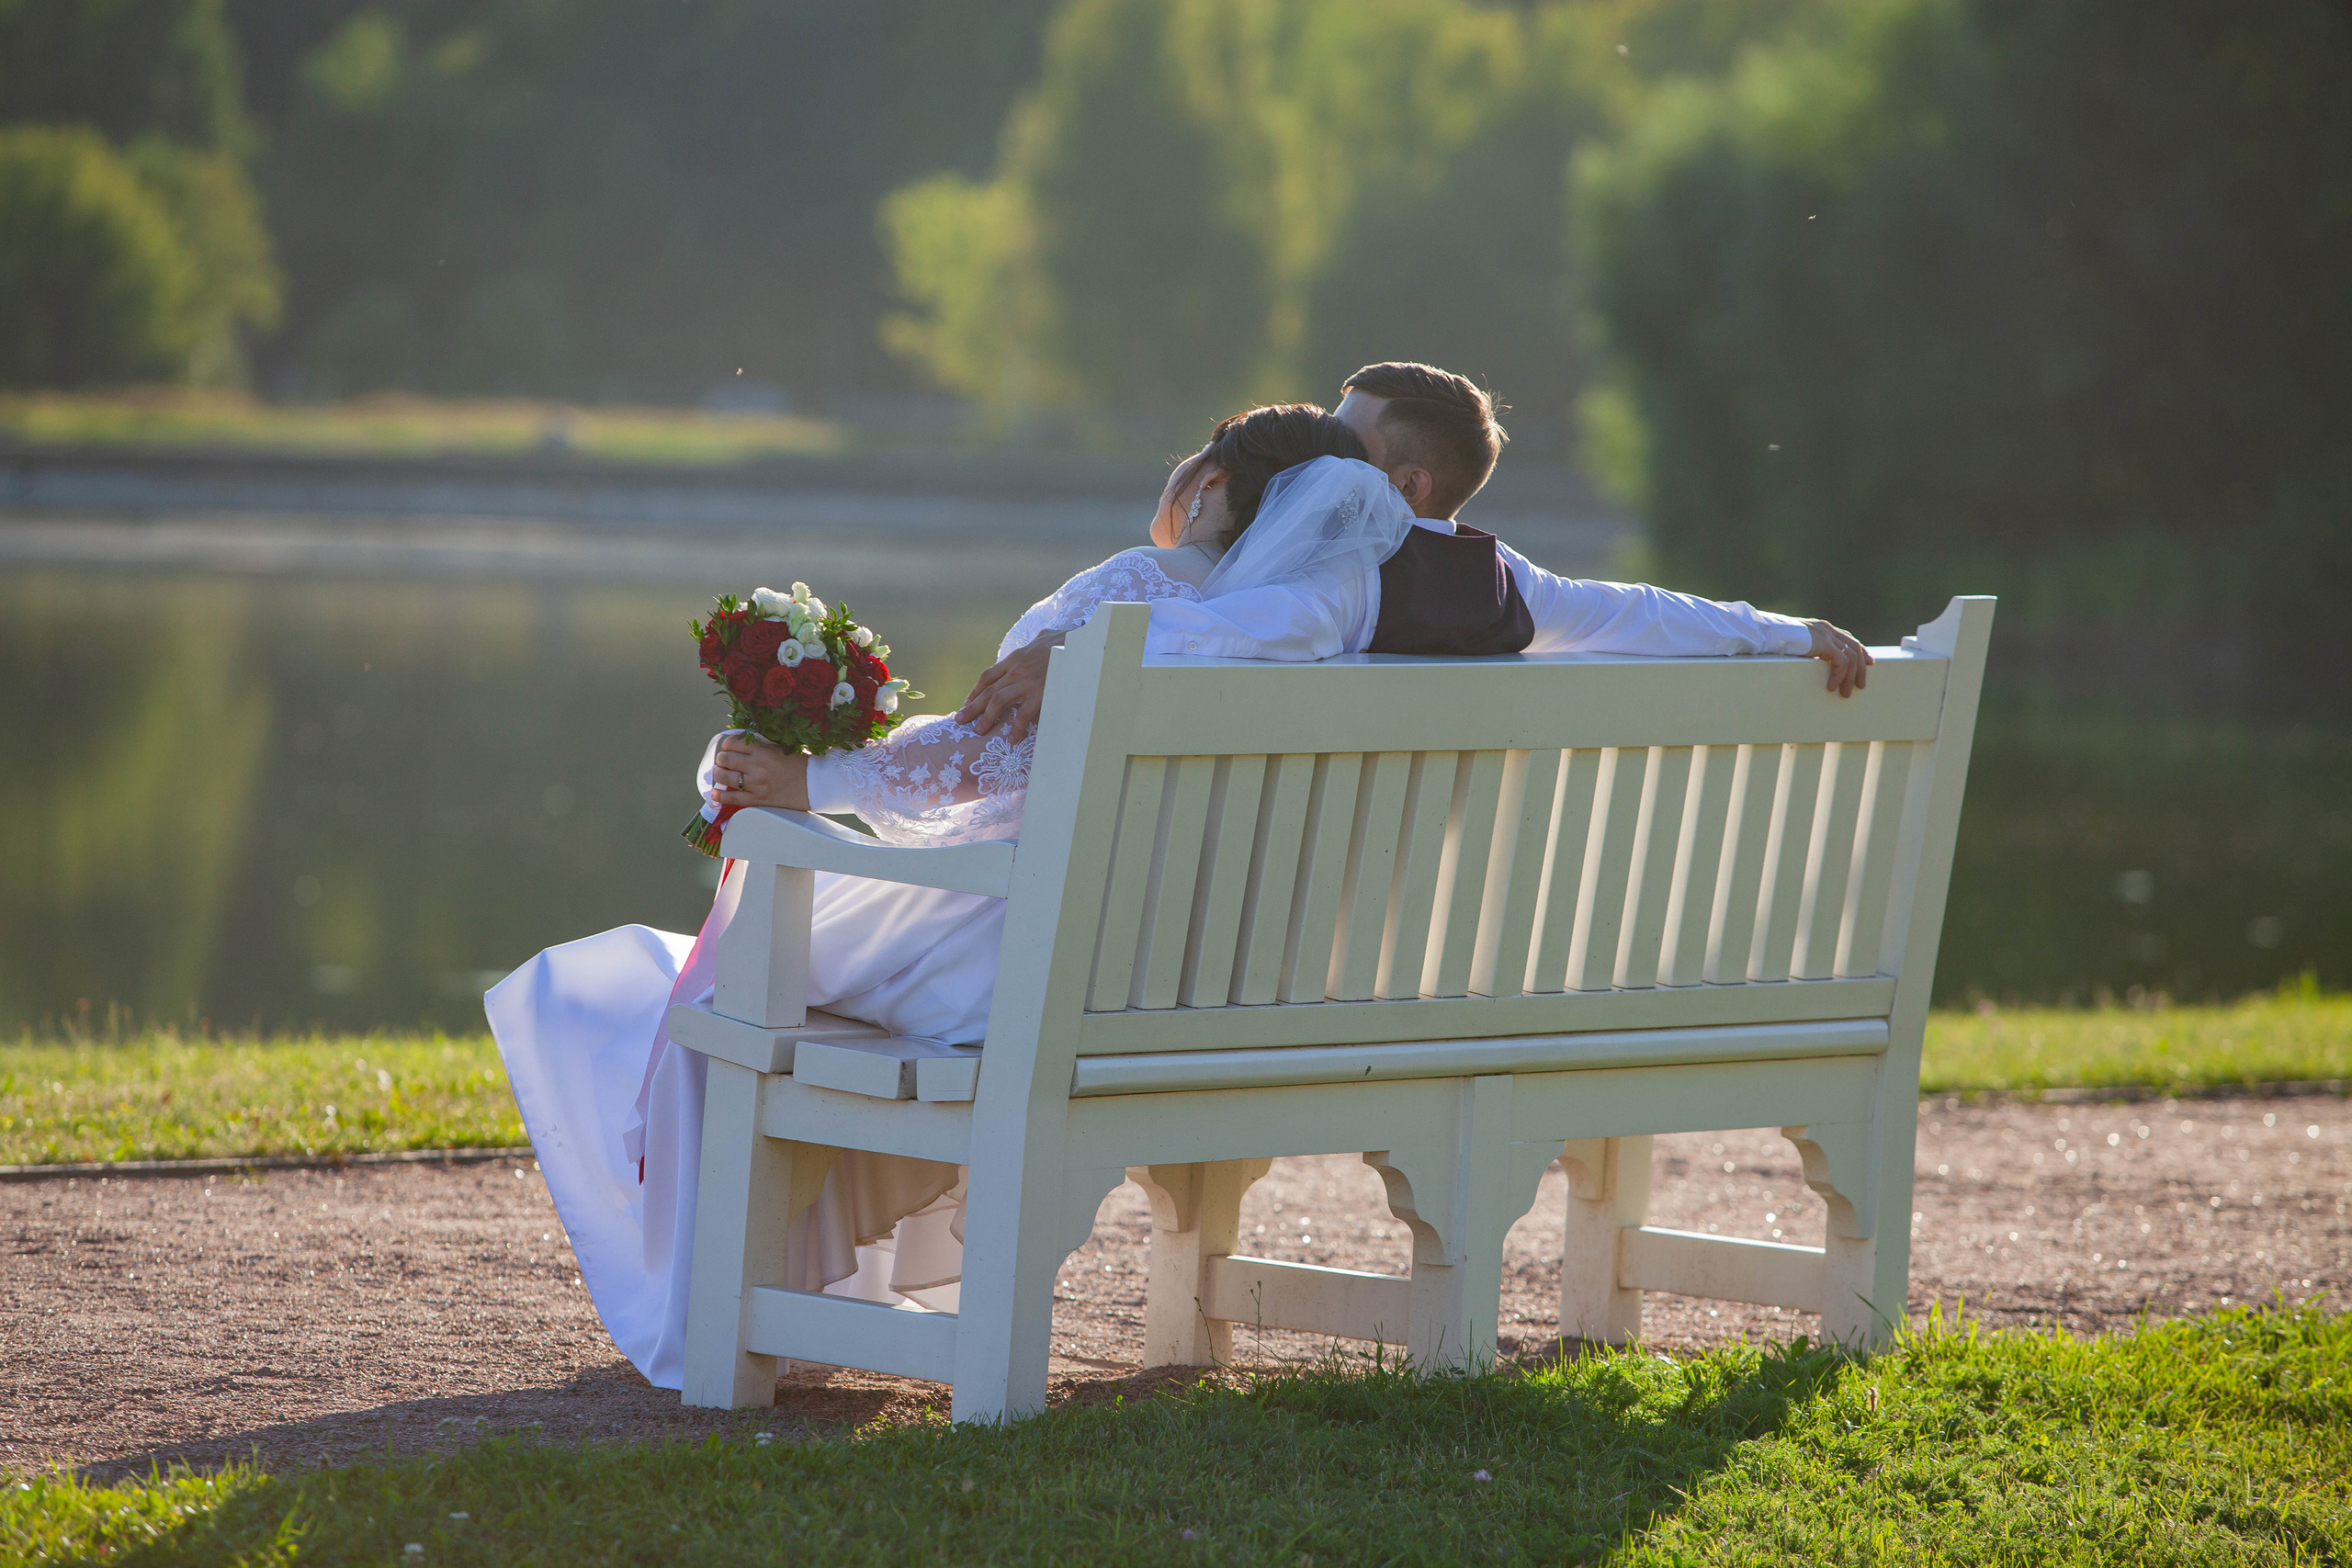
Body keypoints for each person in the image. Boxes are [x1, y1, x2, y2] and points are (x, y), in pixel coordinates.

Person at [486, 405, 1405, 1393]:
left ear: (1215, 484)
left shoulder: (1140, 588)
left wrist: (812, 780)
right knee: (765, 973)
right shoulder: (1325, 629)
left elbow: (984, 750)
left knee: (709, 990)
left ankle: (725, 1295)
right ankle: (792, 1286)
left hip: (1034, 969)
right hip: (1184, 974)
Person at [954, 361, 1873, 741]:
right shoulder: (1505, 587)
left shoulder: (1343, 582)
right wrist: (1789, 632)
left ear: (1406, 487)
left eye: (1343, 448)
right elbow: (1643, 614)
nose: (1317, 459)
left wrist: (1070, 648)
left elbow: (1236, 631)